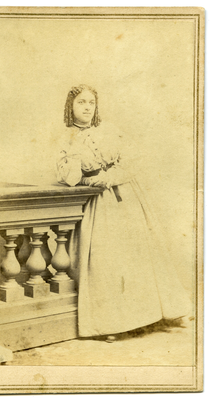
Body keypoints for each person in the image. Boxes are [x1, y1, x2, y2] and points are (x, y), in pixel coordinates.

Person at [56, 84, 191, 342]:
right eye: (81, 102)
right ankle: (113, 323)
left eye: (91, 103)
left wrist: (114, 176)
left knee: (141, 253)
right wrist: (89, 181)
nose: (86, 107)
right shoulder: (66, 138)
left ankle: (162, 313)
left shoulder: (109, 130)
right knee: (107, 260)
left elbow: (133, 160)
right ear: (70, 106)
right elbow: (66, 175)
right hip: (98, 203)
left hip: (126, 197)